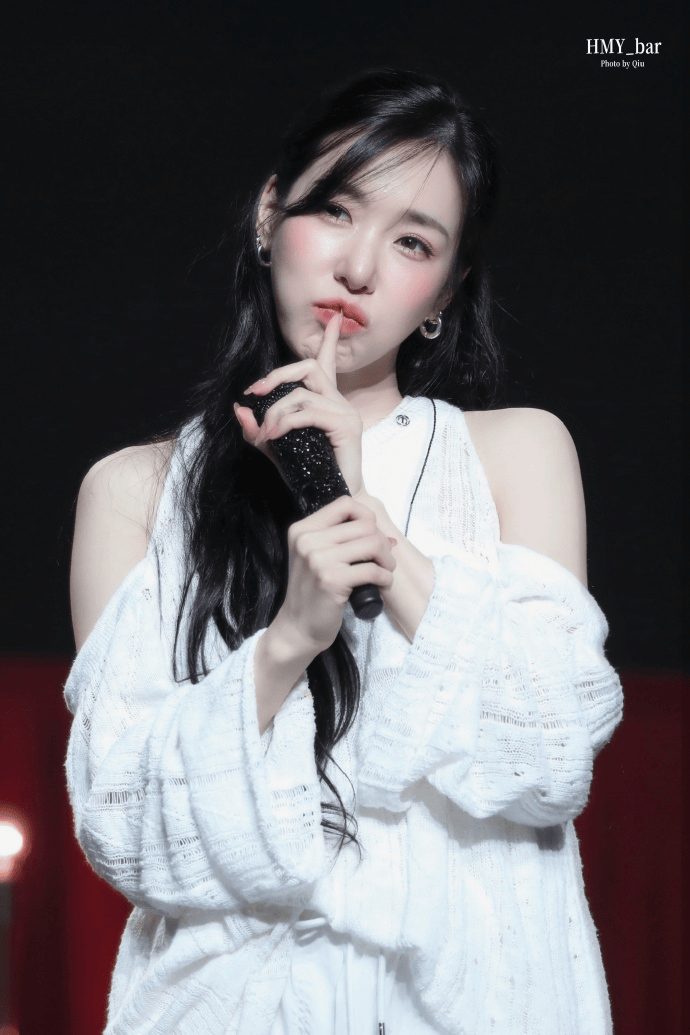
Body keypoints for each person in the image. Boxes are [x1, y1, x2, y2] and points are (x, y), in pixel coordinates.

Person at [65, 68, 623, 1035]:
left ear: (444, 290)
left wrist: (356, 506)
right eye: (335, 209)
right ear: (268, 215)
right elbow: (125, 826)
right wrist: (289, 638)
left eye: (413, 242)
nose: (359, 268)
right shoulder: (135, 491)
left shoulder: (516, 452)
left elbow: (549, 754)